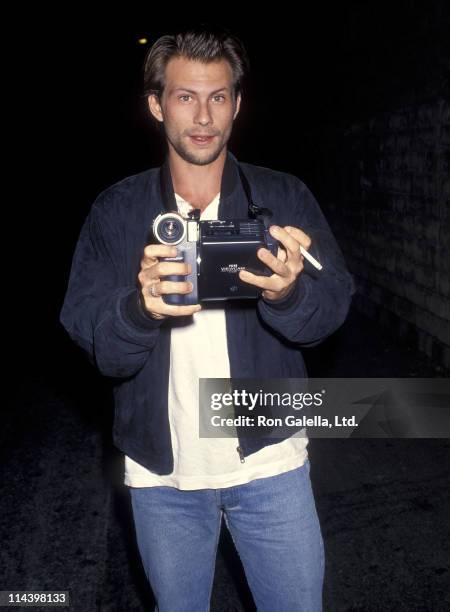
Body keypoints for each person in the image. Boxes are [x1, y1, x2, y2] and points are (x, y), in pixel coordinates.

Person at [60, 24, 355, 612]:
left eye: (218, 96)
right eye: (185, 96)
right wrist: (138, 310)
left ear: (237, 105)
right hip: (162, 478)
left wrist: (289, 295)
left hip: (271, 464)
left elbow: (332, 309)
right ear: (155, 104)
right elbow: (102, 348)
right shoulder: (116, 212)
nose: (203, 116)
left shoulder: (283, 197)